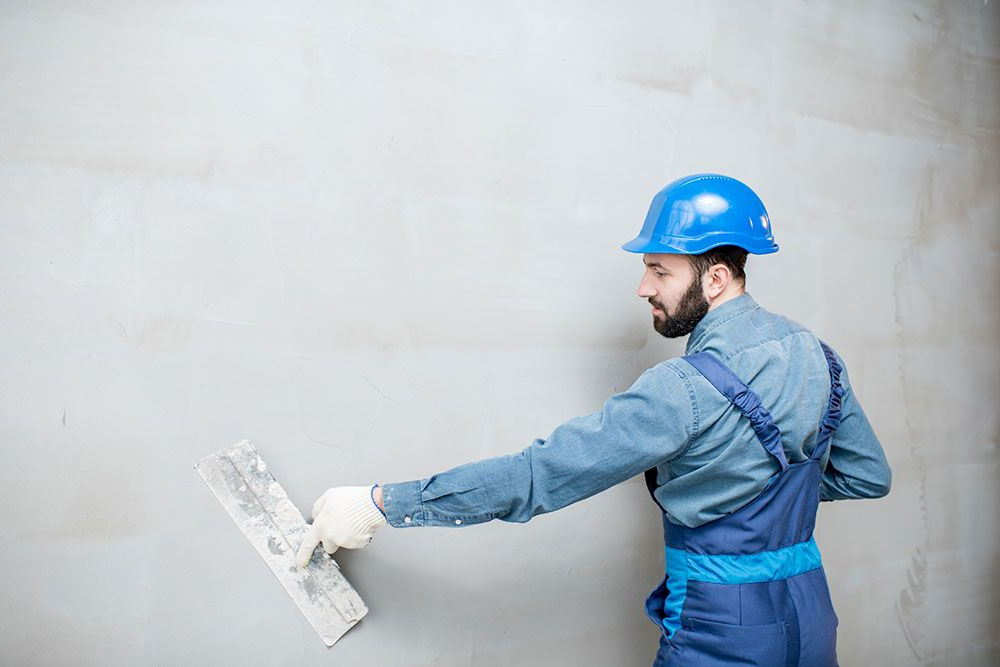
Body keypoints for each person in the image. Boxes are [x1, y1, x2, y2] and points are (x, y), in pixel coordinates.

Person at [295, 173, 892, 666]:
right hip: (811, 618)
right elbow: (868, 476)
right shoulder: (820, 357)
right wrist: (757, 488)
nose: (642, 287)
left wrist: (382, 503)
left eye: (661, 271)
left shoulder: (681, 389)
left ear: (715, 278)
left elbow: (540, 476)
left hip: (724, 628)